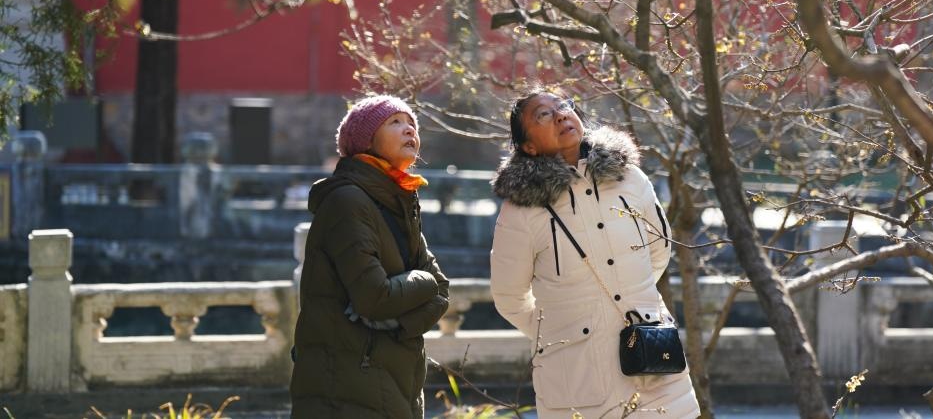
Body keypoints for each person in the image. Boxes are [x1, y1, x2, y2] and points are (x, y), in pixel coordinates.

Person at [490, 88, 700, 418]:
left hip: (653, 361)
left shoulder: (629, 177)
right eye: (543, 115)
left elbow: (658, 251)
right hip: (577, 377)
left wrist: (636, 299)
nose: (559, 115)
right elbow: (508, 296)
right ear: (528, 146)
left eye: (562, 105)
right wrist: (562, 329)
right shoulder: (521, 209)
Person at [290, 94, 449, 419]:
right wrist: (422, 286)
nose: (409, 130)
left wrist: (399, 323)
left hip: (395, 376)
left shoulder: (400, 200)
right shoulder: (348, 201)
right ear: (366, 140)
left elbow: (443, 290)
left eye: (411, 124)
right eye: (395, 122)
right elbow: (375, 297)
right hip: (348, 383)